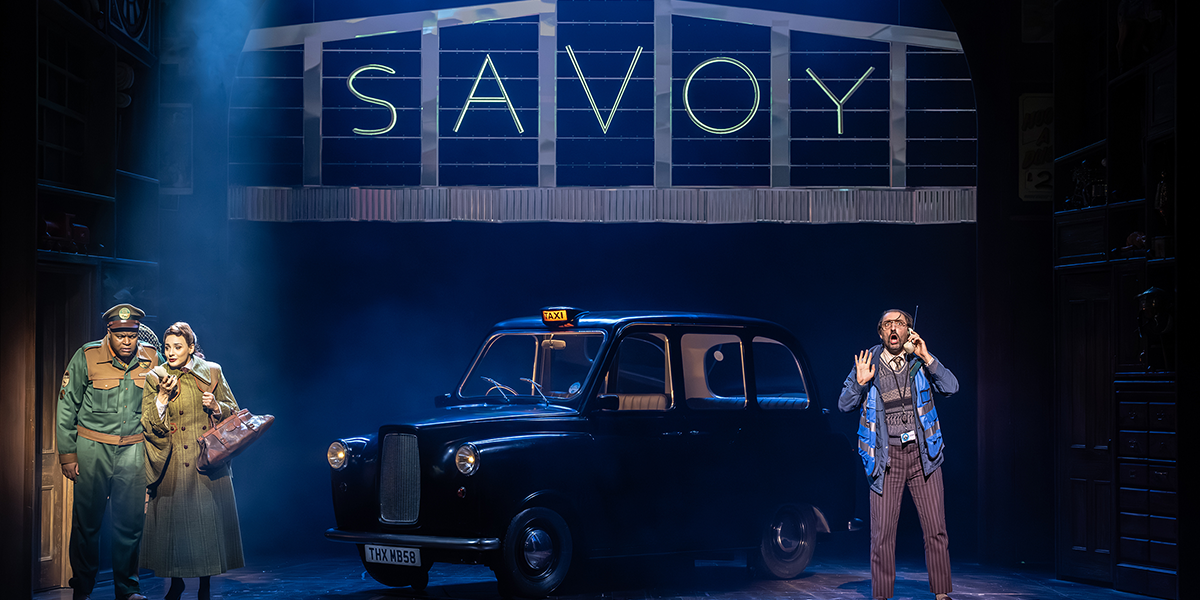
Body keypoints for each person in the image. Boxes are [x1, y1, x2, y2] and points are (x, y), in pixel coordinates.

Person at [838, 309, 960, 600]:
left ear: (909, 331)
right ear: (880, 333)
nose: (894, 328)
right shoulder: (868, 363)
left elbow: (952, 387)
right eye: (887, 324)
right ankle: (881, 595)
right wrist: (860, 382)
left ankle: (942, 594)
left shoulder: (920, 360)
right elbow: (843, 405)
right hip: (886, 459)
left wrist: (928, 358)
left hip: (924, 457)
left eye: (900, 323)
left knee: (936, 529)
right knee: (881, 536)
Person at [57, 303, 163, 600]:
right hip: (92, 449)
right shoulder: (88, 356)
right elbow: (67, 407)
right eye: (120, 335)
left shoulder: (151, 358)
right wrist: (68, 455)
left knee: (129, 525)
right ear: (109, 332)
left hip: (132, 450)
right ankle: (82, 588)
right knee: (86, 525)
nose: (127, 341)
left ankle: (128, 590)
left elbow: (170, 387)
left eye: (132, 335)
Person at [140, 322, 244, 600]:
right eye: (167, 347)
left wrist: (216, 407)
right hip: (172, 463)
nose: (171, 353)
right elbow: (148, 424)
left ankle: (205, 586)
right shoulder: (156, 376)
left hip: (206, 464)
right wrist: (162, 398)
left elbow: (234, 413)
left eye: (178, 347)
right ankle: (176, 582)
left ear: (191, 348)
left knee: (206, 527)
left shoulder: (211, 372)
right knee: (175, 528)